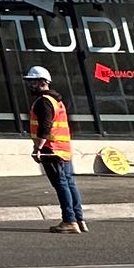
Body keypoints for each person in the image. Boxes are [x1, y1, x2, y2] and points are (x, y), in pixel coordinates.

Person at [27, 64, 86, 233]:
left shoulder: (43, 102)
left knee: (61, 184)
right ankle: (79, 219)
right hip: (63, 149)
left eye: (33, 81)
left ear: (43, 82)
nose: (31, 85)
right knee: (69, 183)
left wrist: (38, 148)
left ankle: (69, 220)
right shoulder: (56, 100)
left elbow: (45, 126)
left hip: (51, 149)